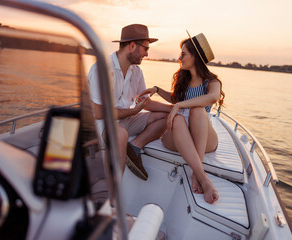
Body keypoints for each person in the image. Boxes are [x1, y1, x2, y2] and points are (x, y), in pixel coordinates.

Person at [139, 32, 225, 204]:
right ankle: (203, 177)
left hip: (202, 136)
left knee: (198, 110)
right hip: (179, 136)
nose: (180, 57)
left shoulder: (211, 82)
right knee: (178, 119)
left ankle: (197, 174)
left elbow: (213, 98)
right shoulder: (183, 80)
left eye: (184, 53)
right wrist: (157, 89)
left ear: (195, 56)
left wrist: (179, 106)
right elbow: (175, 98)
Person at [87, 24, 171, 182]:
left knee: (164, 117)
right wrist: (133, 111)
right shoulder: (102, 70)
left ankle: (135, 147)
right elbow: (98, 112)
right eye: (145, 48)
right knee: (121, 134)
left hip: (126, 120)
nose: (147, 54)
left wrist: (174, 109)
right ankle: (113, 198)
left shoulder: (137, 72)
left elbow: (145, 103)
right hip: (102, 124)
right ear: (132, 46)